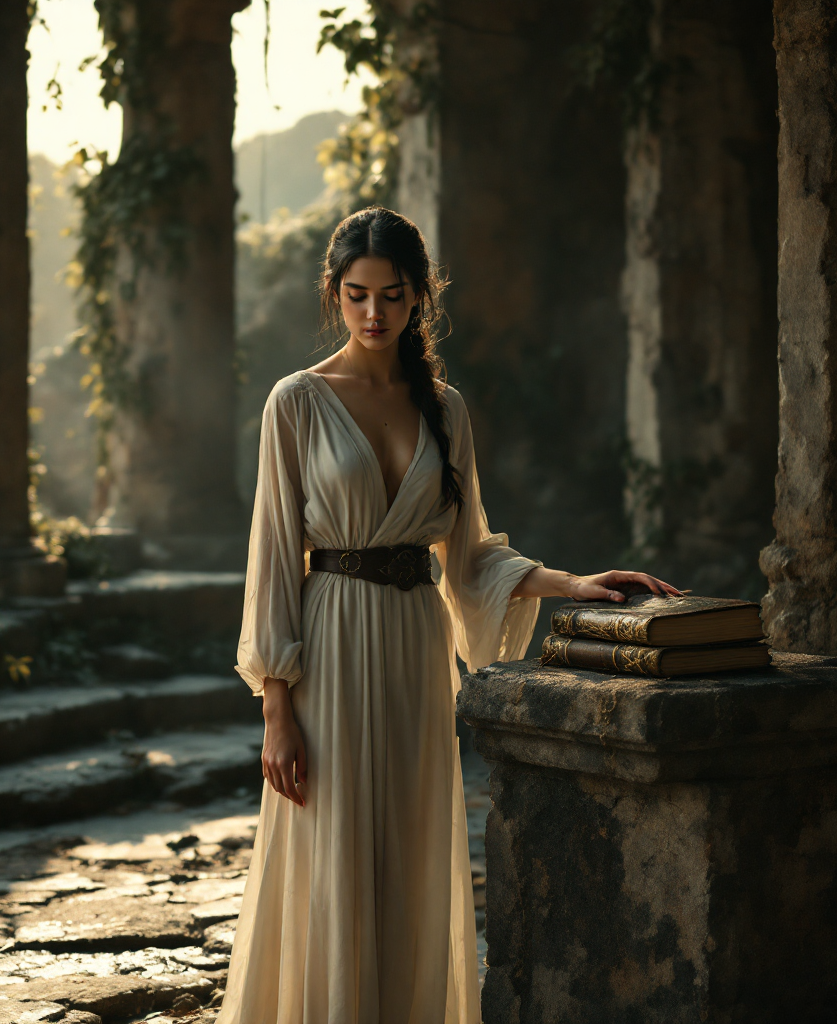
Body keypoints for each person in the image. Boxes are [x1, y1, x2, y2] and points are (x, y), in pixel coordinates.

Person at [217, 207, 679, 1024]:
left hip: (411, 648)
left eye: (392, 295)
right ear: (334, 294)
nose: (373, 314)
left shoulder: (447, 409)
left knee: (410, 853)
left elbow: (468, 556)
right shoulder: (295, 403)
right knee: (332, 854)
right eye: (356, 295)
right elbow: (271, 560)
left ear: (418, 296)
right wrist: (277, 708)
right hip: (328, 648)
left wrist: (570, 583)